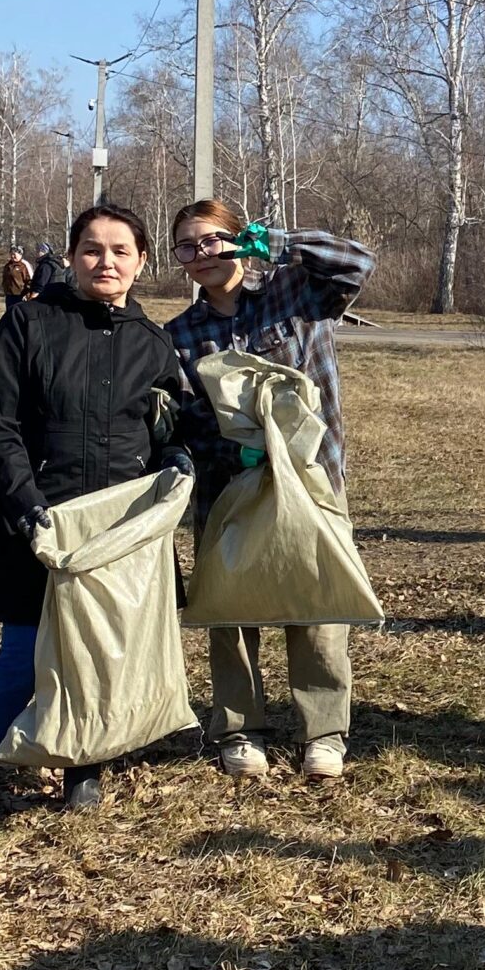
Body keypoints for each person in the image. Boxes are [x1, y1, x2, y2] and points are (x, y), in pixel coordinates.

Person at [0, 204, 190, 830]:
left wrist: (178, 458)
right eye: (91, 248)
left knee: (100, 653)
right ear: (73, 256)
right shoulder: (29, 323)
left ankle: (84, 761)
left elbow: (169, 429)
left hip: (115, 530)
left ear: (141, 261)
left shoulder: (153, 343)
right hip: (37, 519)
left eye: (120, 250)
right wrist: (28, 505)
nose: (105, 261)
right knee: (23, 655)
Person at [167, 200, 377, 781]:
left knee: (317, 605)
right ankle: (240, 730)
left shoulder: (295, 294)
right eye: (186, 246)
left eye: (212, 240)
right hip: (229, 490)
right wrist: (235, 450)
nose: (201, 255)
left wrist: (279, 243)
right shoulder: (180, 334)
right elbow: (186, 418)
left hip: (312, 483)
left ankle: (324, 734)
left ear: (239, 239)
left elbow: (357, 263)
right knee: (231, 612)